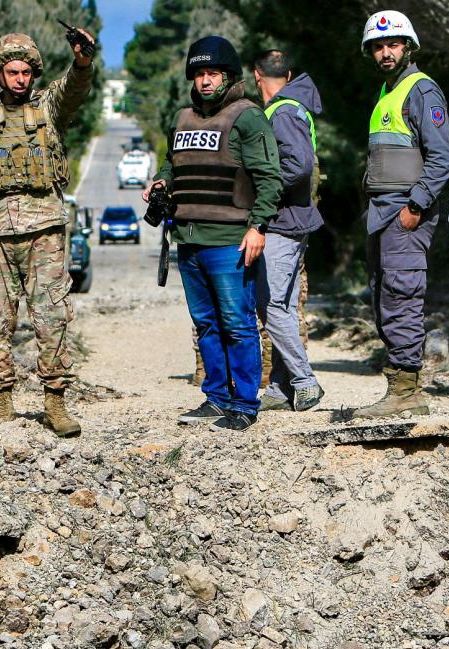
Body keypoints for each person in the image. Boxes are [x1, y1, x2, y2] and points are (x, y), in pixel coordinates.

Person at [0, 28, 95, 437]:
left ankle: (55, 402)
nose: (20, 79)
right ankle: (2, 405)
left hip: (44, 230)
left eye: (26, 72)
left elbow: (73, 90)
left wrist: (83, 61)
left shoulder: (47, 108)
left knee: (52, 316)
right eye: (12, 72)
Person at [144, 36, 283, 432]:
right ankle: (216, 396)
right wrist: (160, 182)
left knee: (237, 323)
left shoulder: (248, 116)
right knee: (205, 323)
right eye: (200, 73)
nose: (205, 81)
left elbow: (270, 178)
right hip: (188, 240)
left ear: (228, 76)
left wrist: (258, 227)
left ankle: (244, 404)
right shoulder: (182, 117)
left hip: (230, 241)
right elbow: (171, 165)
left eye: (213, 73)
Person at [352, 11, 449, 419]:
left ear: (407, 47)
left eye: (392, 44)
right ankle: (398, 384)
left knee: (402, 295)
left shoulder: (421, 90)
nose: (385, 51)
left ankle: (406, 390)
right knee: (384, 296)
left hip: (403, 211)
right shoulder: (386, 92)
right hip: (382, 211)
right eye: (378, 46)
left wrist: (416, 205)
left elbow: (442, 156)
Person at [251, 49, 325, 412]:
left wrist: (263, 193)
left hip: (281, 223)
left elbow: (297, 164)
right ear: (289, 73)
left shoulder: (281, 112)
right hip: (294, 221)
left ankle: (305, 381)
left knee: (272, 307)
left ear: (256, 75)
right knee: (283, 306)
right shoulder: (293, 107)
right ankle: (280, 388)